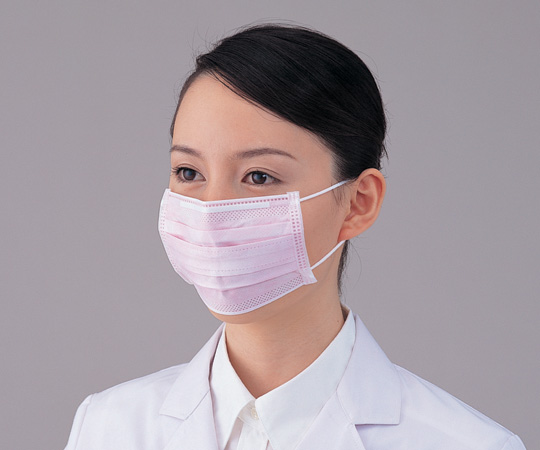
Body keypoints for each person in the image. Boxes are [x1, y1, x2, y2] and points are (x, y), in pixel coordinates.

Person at [64, 24, 526, 450]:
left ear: (358, 202)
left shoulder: (468, 444)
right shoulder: (108, 428)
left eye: (259, 176)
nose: (212, 209)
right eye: (189, 172)